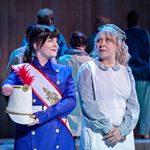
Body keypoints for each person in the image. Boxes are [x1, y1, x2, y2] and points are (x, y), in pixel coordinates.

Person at [2, 25, 76, 150]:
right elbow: (8, 84)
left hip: (57, 127)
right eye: (50, 41)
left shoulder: (65, 71)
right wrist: (6, 87)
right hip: (29, 127)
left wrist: (43, 115)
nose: (56, 45)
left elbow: (71, 100)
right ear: (36, 45)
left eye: (56, 41)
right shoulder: (22, 69)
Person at [77, 24, 140, 149]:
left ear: (117, 45)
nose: (102, 44)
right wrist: (109, 129)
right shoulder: (88, 69)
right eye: (99, 40)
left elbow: (133, 107)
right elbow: (88, 104)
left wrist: (122, 130)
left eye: (108, 40)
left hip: (122, 137)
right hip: (99, 135)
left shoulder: (126, 72)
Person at [57, 31, 92, 137]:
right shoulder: (91, 61)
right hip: (84, 100)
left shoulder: (61, 60)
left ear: (71, 43)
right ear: (85, 45)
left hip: (66, 99)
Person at [125, 11, 150, 138]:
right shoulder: (145, 34)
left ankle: (131, 131)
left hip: (129, 74)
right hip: (144, 74)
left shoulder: (125, 35)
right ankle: (144, 131)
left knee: (130, 104)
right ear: (138, 21)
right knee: (144, 105)